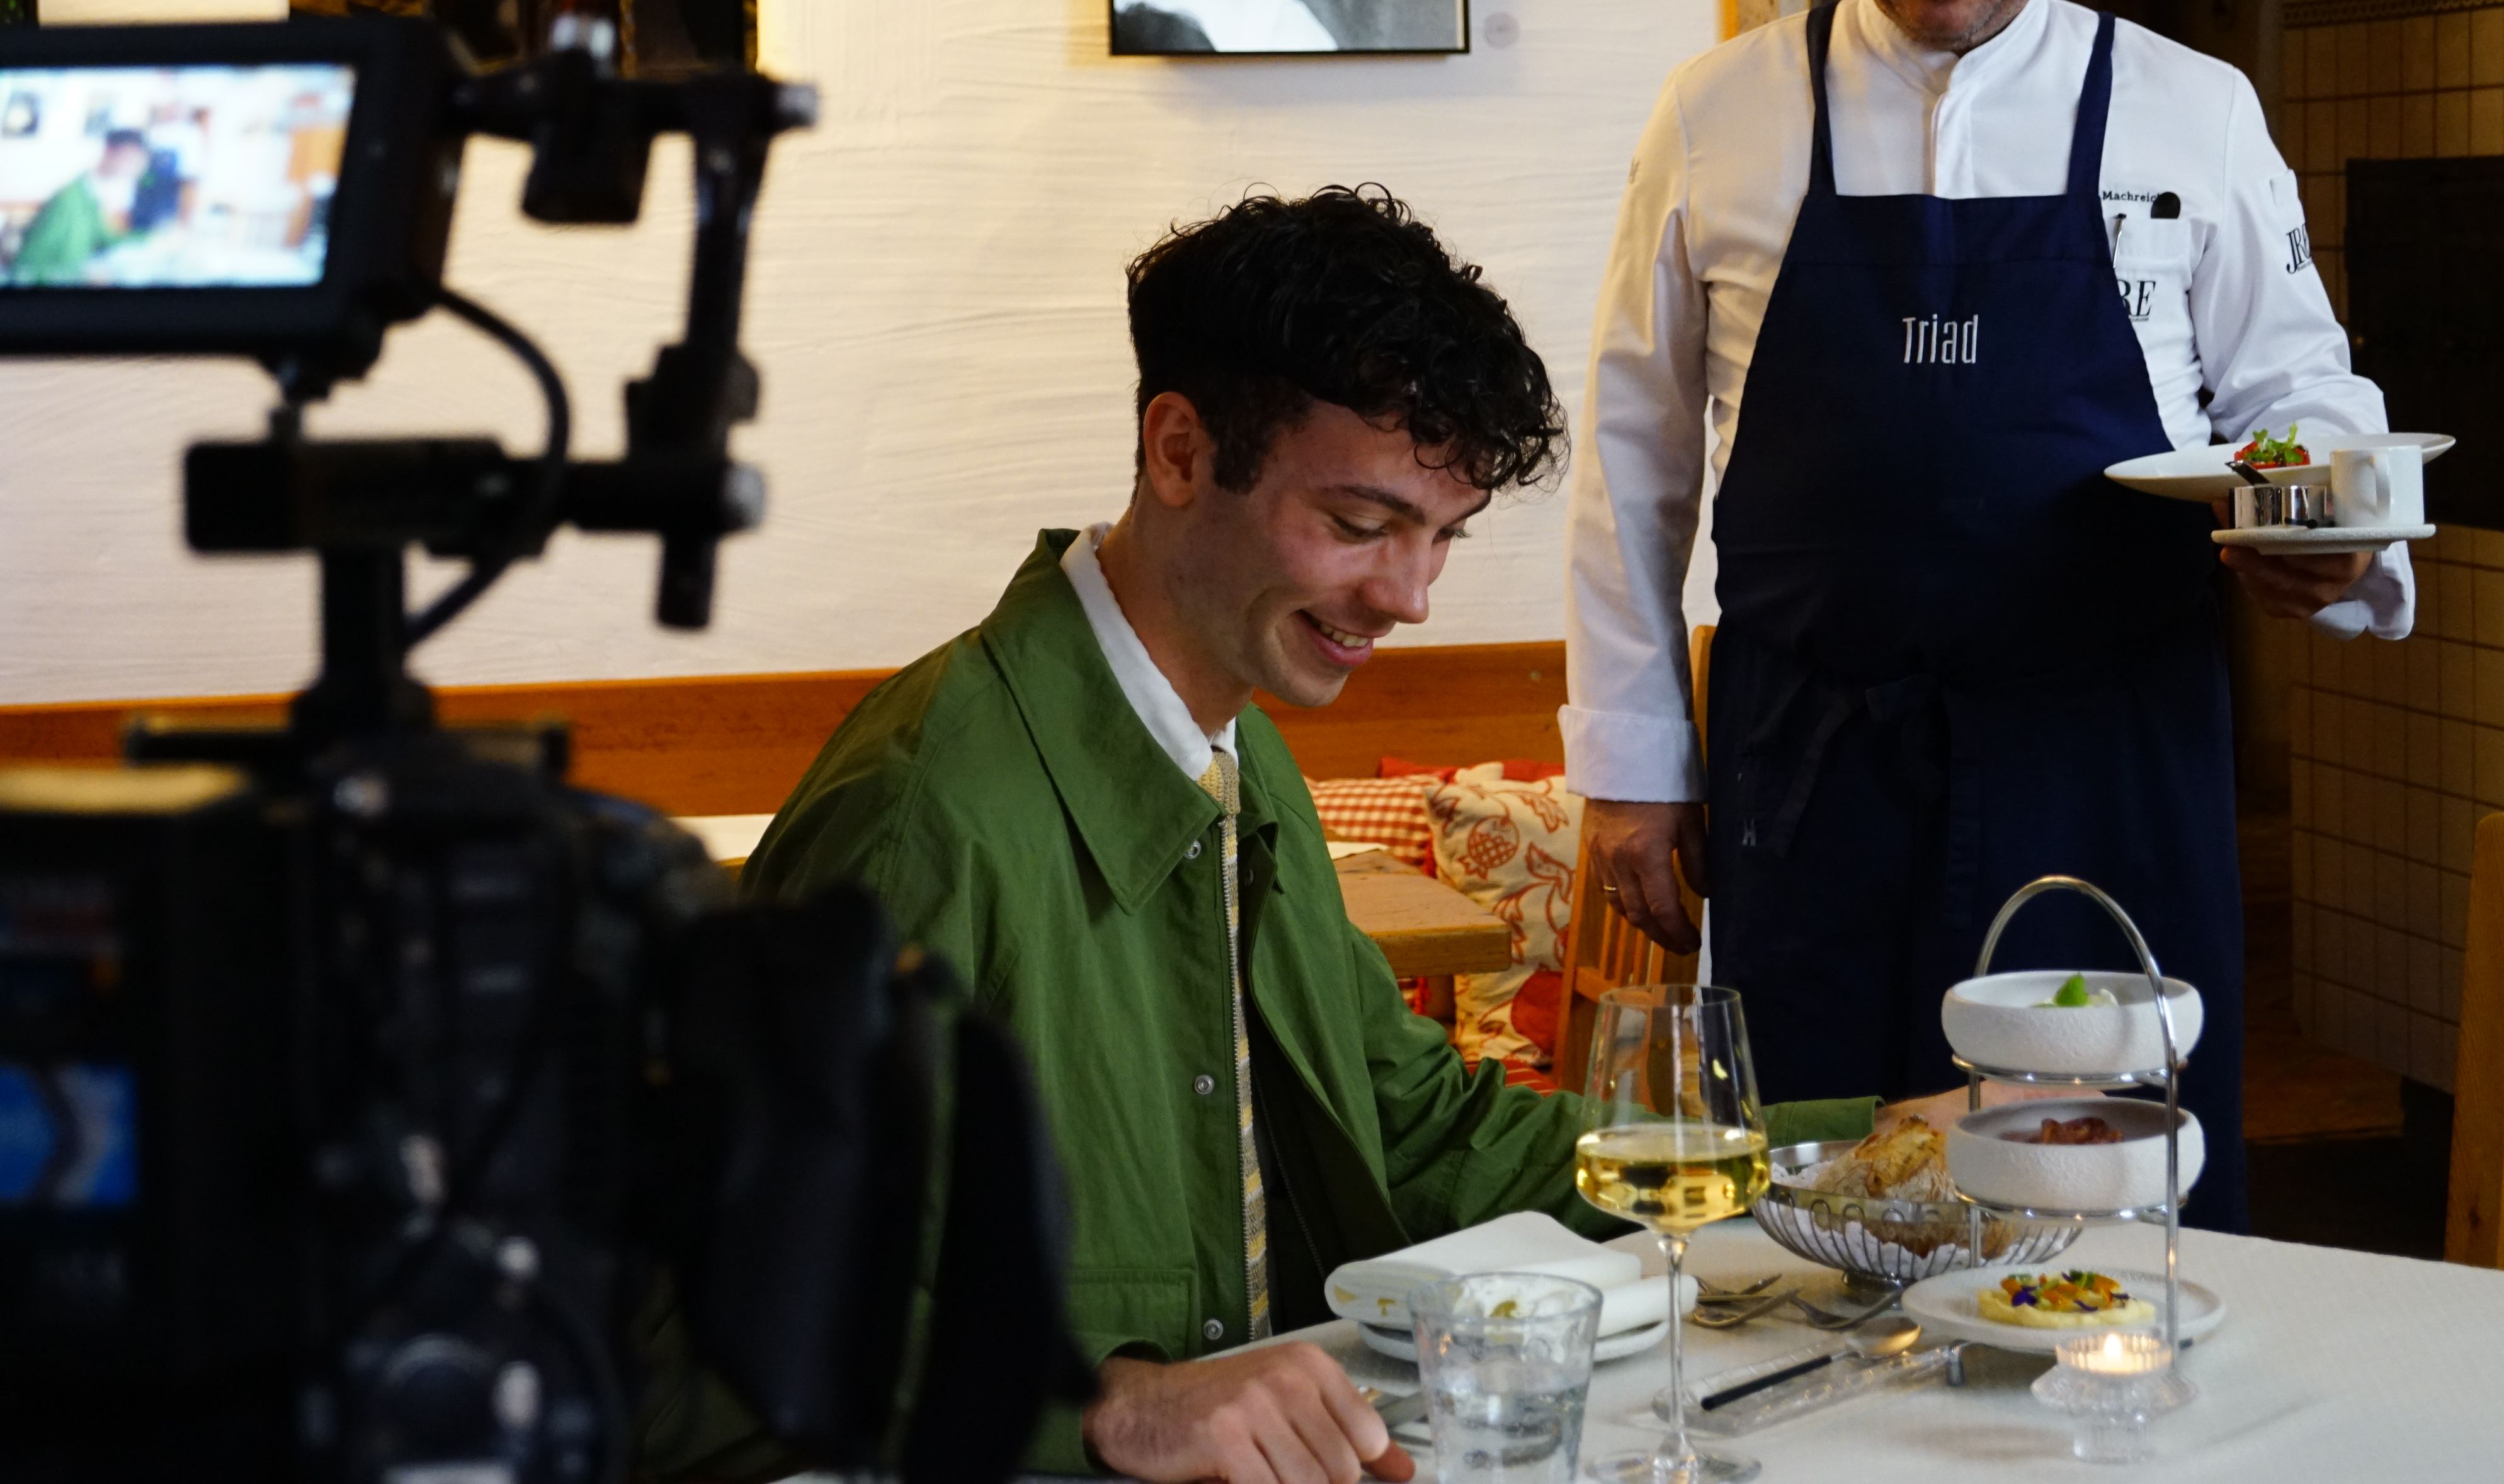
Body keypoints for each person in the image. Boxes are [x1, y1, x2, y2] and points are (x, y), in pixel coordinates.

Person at [638, 188, 1901, 1484]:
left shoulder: (1244, 761)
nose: (1408, 598)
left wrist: (1857, 1153)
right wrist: (1105, 1400)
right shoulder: (924, 817)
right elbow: (693, 1347)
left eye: (1440, 541)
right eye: (1357, 527)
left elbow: (1418, 1134)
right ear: (1178, 451)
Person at [1564, 0, 2416, 1240]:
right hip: (1810, 765)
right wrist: (1626, 760)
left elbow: (2300, 394)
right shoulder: (1718, 112)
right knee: (1810, 1203)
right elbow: (1628, 447)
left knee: (2104, 1191)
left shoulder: (2188, 106)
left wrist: (2338, 538)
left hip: (2107, 750)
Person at [11, 130, 149, 284]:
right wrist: (83, 277)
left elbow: (106, 237)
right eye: (131, 160)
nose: (135, 168)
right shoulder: (69, 200)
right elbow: (28, 267)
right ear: (109, 152)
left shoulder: (91, 194)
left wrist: (154, 240)